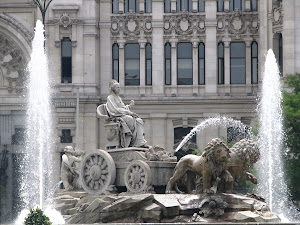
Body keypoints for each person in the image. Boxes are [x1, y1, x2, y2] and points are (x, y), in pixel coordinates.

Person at [105, 79, 149, 148]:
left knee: (139, 120)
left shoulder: (118, 98)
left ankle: (139, 141)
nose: (119, 89)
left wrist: (129, 106)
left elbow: (123, 108)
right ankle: (133, 141)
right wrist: (129, 112)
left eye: (119, 87)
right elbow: (115, 109)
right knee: (130, 119)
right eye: (117, 87)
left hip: (123, 115)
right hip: (117, 117)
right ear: (113, 89)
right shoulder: (110, 98)